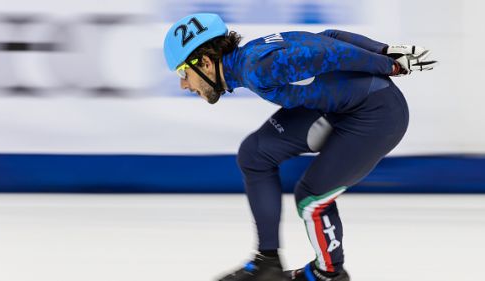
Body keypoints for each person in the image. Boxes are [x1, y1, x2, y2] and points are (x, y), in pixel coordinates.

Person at [163, 13, 437, 281]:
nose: (183, 84)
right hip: (336, 106)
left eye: (183, 73)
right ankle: (267, 263)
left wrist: (388, 65)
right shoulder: (253, 55)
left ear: (206, 63)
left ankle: (328, 273)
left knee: (311, 197)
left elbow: (332, 52)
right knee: (254, 154)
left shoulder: (257, 68)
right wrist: (384, 51)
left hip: (376, 114)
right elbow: (329, 36)